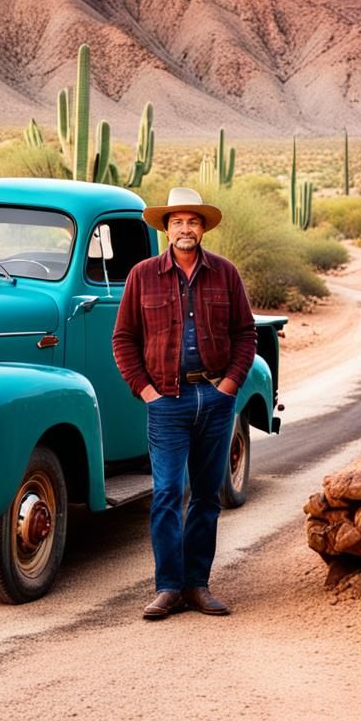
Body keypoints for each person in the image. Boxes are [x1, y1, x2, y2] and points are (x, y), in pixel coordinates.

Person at [112, 187, 257, 620]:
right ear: (166, 229)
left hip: (214, 397)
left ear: (203, 227)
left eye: (192, 221)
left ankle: (198, 585)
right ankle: (168, 587)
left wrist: (229, 385)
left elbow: (245, 334)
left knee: (207, 496)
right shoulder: (141, 275)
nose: (185, 229)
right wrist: (146, 391)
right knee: (168, 494)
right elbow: (124, 338)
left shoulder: (225, 274)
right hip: (167, 401)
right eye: (177, 222)